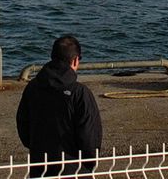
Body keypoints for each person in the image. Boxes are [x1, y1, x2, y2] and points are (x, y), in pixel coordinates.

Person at [17, 35, 103, 177]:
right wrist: (90, 163)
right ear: (75, 60)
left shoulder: (32, 87)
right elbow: (90, 136)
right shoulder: (79, 93)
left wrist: (36, 146)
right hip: (73, 169)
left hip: (40, 167)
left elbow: (23, 125)